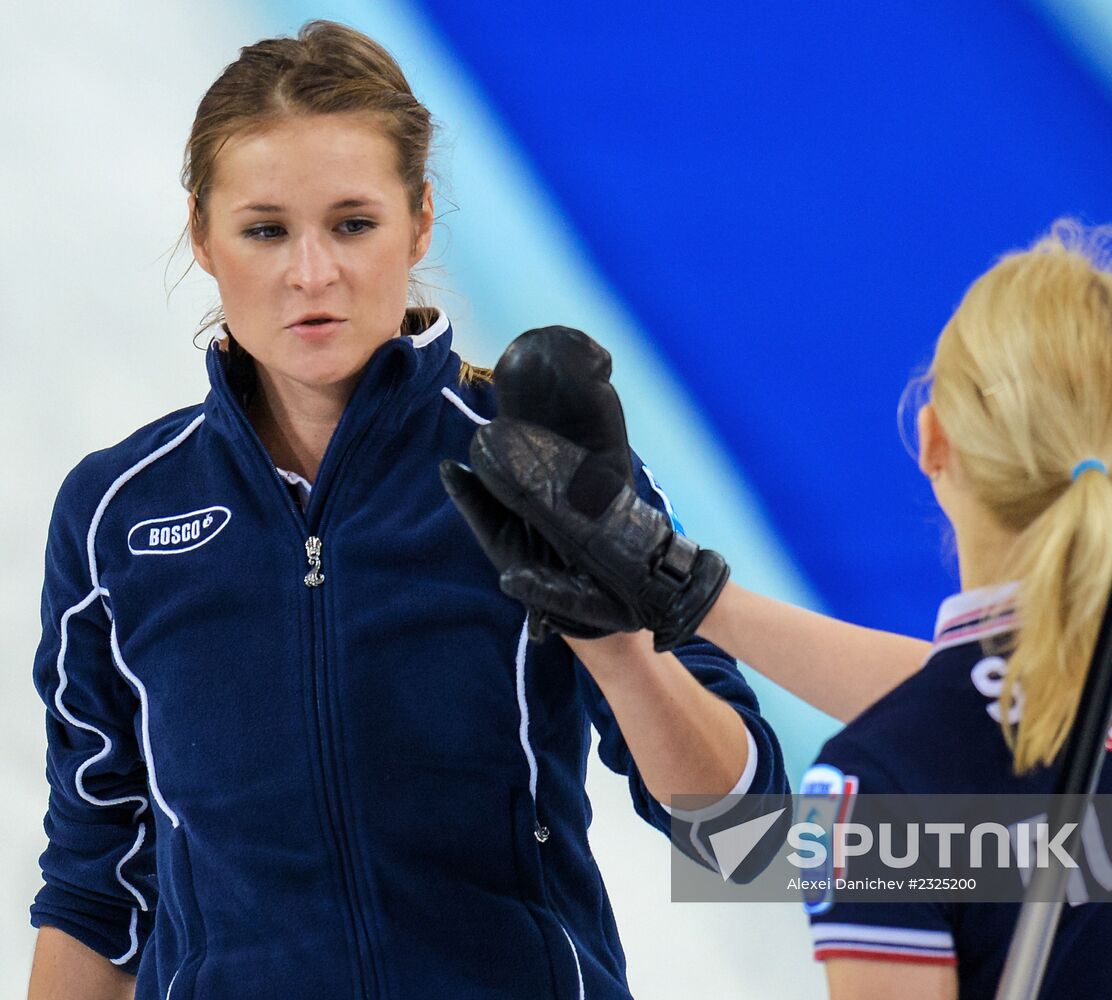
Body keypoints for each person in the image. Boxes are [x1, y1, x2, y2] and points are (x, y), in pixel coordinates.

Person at [25, 21, 789, 1000]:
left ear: (422, 222)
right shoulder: (118, 514)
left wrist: (618, 645)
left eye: (353, 223)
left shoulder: (540, 465)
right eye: (266, 230)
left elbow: (744, 839)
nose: (313, 274)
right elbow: (97, 888)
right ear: (204, 237)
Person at [449, 220, 1112, 999]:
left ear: (934, 438)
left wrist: (645, 637)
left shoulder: (871, 796)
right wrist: (690, 593)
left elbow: (748, 840)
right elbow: (992, 712)